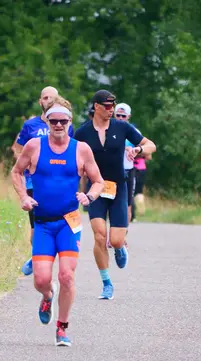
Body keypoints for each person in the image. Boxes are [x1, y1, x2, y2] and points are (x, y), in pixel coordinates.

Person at [10, 97, 104, 346]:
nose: (59, 125)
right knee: (41, 280)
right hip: (42, 223)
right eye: (54, 121)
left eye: (63, 121)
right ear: (47, 122)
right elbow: (16, 172)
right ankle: (47, 296)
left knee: (66, 276)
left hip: (68, 223)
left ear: (70, 122)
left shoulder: (81, 149)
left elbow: (98, 181)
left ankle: (62, 328)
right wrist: (23, 197)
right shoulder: (34, 146)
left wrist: (89, 196)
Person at [74, 90, 156, 300]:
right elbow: (69, 155)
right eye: (108, 106)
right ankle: (106, 283)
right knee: (99, 235)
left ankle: (119, 248)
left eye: (113, 105)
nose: (112, 110)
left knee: (117, 240)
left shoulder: (122, 127)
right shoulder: (83, 132)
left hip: (119, 187)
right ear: (96, 106)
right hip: (95, 189)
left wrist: (138, 150)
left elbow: (151, 145)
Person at [11, 86, 74, 276]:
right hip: (34, 182)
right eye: (45, 98)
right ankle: (39, 259)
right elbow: (17, 149)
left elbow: (71, 151)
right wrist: (27, 162)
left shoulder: (64, 123)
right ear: (40, 101)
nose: (48, 101)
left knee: (62, 224)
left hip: (60, 183)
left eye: (52, 98)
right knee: (36, 226)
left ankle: (46, 260)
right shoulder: (30, 125)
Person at [114, 102, 140, 223]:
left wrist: (136, 150)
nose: (120, 118)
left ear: (128, 116)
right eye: (118, 115)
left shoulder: (134, 132)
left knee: (127, 204)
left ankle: (124, 232)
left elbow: (145, 150)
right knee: (111, 203)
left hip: (128, 170)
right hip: (111, 170)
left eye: (123, 116)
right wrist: (125, 148)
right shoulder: (108, 130)